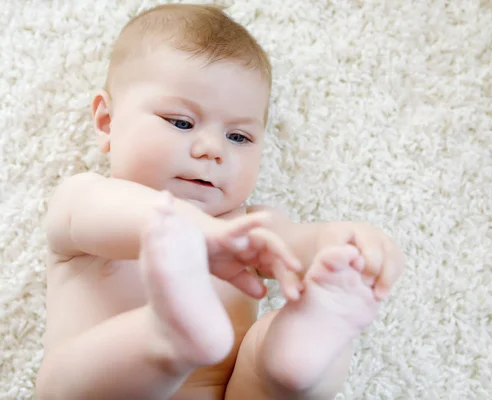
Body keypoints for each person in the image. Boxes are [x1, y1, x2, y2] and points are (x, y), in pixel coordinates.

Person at [35, 4, 405, 399]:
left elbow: (298, 246)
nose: (213, 150)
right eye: (181, 122)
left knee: (273, 349)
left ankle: (298, 356)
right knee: (64, 381)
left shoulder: (246, 227)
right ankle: (166, 336)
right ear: (107, 122)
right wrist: (205, 235)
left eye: (239, 138)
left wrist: (343, 247)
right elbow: (114, 216)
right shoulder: (85, 195)